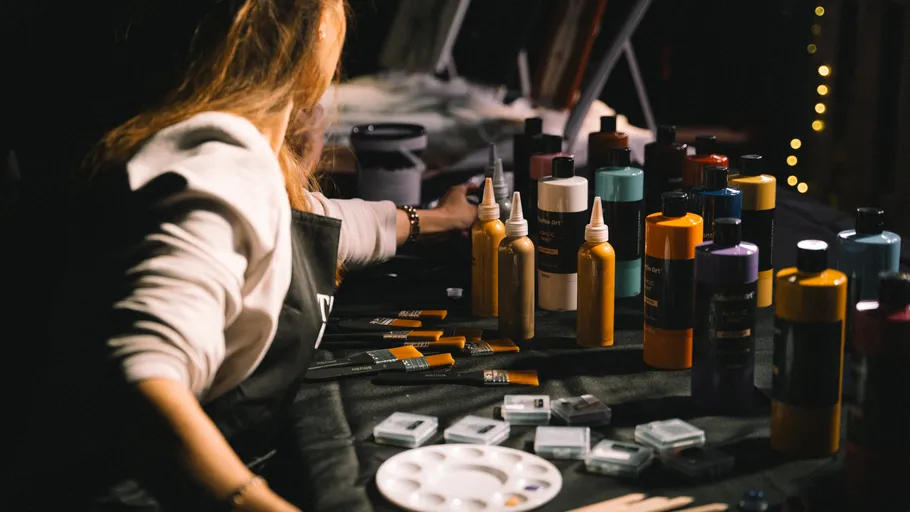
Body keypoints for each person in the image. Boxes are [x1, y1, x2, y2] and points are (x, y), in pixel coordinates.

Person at [2, 0, 476, 510]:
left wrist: (436, 219)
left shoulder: (230, 165)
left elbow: (320, 223)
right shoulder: (222, 160)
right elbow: (138, 379)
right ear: (307, 28)